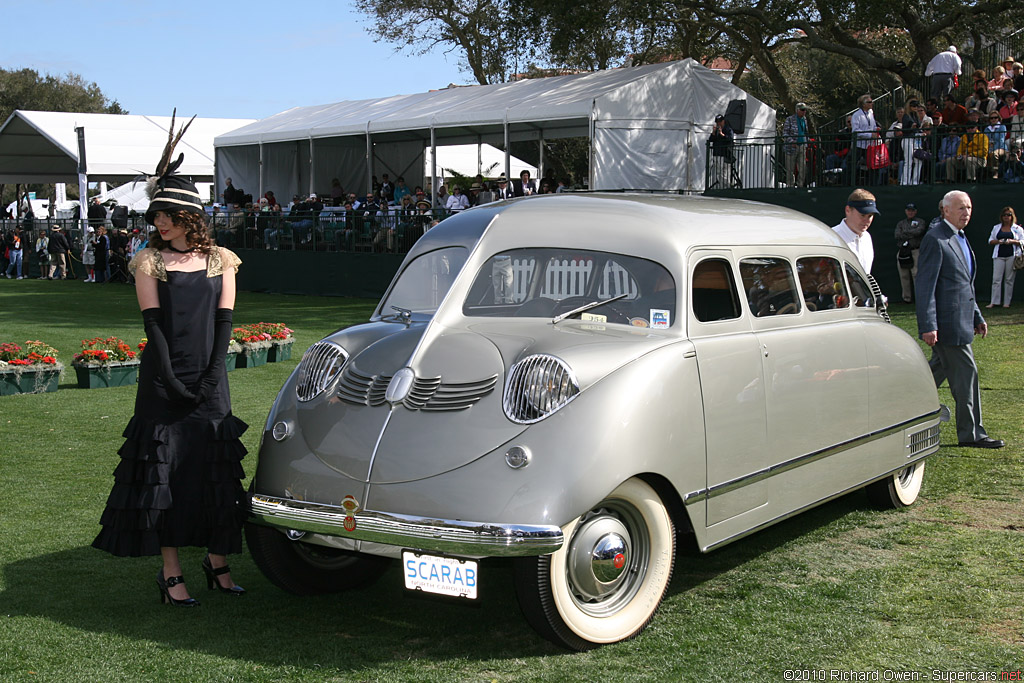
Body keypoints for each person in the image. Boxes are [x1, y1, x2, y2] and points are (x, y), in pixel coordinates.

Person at [92, 113, 248, 605]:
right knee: (164, 474)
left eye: (166, 214)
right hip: (163, 385)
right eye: (155, 214)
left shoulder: (222, 258)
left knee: (214, 472)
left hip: (210, 381)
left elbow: (225, 324)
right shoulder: (149, 261)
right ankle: (171, 573)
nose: (157, 221)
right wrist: (175, 383)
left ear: (189, 218)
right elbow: (153, 327)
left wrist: (209, 378)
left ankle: (217, 562)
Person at [915, 190, 1003, 449]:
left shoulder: (959, 238)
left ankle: (901, 408)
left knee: (931, 376)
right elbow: (925, 286)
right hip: (948, 326)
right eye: (961, 208)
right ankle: (971, 434)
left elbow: (964, 284)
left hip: (961, 322)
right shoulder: (936, 238)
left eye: (969, 207)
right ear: (946, 210)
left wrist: (977, 315)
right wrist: (928, 325)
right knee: (967, 374)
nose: (967, 212)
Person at [832, 188, 878, 273]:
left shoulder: (867, 237)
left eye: (870, 216)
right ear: (848, 210)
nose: (867, 221)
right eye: (863, 215)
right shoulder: (832, 237)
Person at [986, 206, 1023, 308]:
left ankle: (1007, 302)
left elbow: (1022, 241)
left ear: (1012, 216)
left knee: (1009, 280)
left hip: (1012, 255)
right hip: (999, 255)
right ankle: (994, 301)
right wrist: (999, 241)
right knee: (996, 279)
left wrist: (1012, 241)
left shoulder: (1017, 229)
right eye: (1004, 215)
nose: (1006, 217)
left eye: (1009, 215)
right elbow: (990, 240)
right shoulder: (996, 228)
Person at [895, 203, 927, 303]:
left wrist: (905, 233)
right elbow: (897, 235)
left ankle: (919, 297)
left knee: (916, 274)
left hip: (915, 250)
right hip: (903, 251)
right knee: (904, 275)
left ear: (915, 211)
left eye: (912, 210)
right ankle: (906, 298)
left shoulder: (920, 221)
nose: (910, 212)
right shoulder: (901, 223)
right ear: (905, 211)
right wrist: (911, 233)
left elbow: (919, 231)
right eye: (909, 210)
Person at [782, 102, 810, 187]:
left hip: (802, 146)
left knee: (802, 168)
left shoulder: (804, 119)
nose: (804, 111)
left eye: (805, 110)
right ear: (797, 110)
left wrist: (807, 141)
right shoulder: (790, 119)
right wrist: (791, 142)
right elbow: (785, 133)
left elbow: (805, 132)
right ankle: (790, 185)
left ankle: (800, 185)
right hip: (791, 148)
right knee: (790, 169)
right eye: (802, 110)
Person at [708, 114, 736, 188]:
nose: (718, 124)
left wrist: (722, 134)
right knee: (718, 173)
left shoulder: (728, 129)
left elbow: (730, 139)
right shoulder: (716, 130)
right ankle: (722, 187)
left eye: (720, 122)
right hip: (716, 153)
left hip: (724, 155)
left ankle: (727, 188)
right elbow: (711, 139)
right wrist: (714, 132)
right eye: (717, 122)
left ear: (723, 121)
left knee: (725, 173)